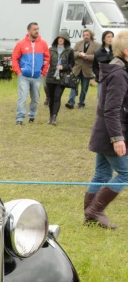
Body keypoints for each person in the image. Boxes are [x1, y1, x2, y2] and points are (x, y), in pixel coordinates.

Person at [84, 31, 128, 229]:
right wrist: (117, 138)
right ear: (126, 51)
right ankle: (95, 210)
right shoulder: (119, 74)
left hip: (105, 132)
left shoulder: (119, 69)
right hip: (111, 132)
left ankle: (90, 216)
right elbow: (111, 109)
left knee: (102, 174)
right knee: (126, 173)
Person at [12, 22, 50, 126]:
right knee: (22, 98)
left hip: (37, 76)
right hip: (24, 76)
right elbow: (15, 58)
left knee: (35, 99)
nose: (37, 31)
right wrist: (19, 72)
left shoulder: (43, 44)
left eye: (38, 29)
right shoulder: (21, 44)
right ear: (29, 31)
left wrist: (43, 72)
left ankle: (32, 115)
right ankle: (20, 118)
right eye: (34, 29)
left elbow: (47, 59)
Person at [45, 30, 75, 126]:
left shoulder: (69, 50)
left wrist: (63, 67)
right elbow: (46, 60)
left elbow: (72, 64)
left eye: (62, 38)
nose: (60, 40)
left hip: (61, 77)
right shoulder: (51, 49)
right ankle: (50, 116)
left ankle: (54, 117)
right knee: (51, 97)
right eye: (59, 38)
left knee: (57, 97)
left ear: (66, 40)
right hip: (50, 76)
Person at [66, 29, 100, 109]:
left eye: (87, 35)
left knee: (84, 89)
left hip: (87, 69)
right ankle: (71, 102)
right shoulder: (78, 43)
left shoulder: (97, 45)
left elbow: (97, 57)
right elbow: (72, 54)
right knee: (73, 86)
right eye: (84, 35)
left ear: (91, 35)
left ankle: (81, 103)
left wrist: (88, 57)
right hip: (77, 69)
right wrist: (79, 54)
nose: (85, 36)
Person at [94, 31, 114, 102]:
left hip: (113, 78)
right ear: (103, 39)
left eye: (112, 37)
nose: (110, 39)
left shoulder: (116, 51)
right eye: (108, 37)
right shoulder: (98, 52)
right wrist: (99, 75)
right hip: (102, 79)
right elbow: (94, 66)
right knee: (101, 98)